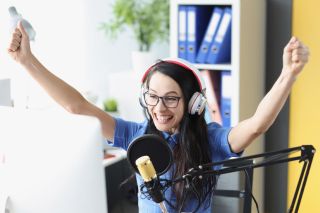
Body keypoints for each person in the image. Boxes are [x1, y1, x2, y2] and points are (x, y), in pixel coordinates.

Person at [7, 21, 309, 213]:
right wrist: (28, 63)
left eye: (171, 98)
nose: (159, 107)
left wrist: (288, 75)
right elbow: (78, 108)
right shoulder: (136, 136)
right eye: (152, 96)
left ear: (194, 104)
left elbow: (256, 126)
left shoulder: (212, 139)